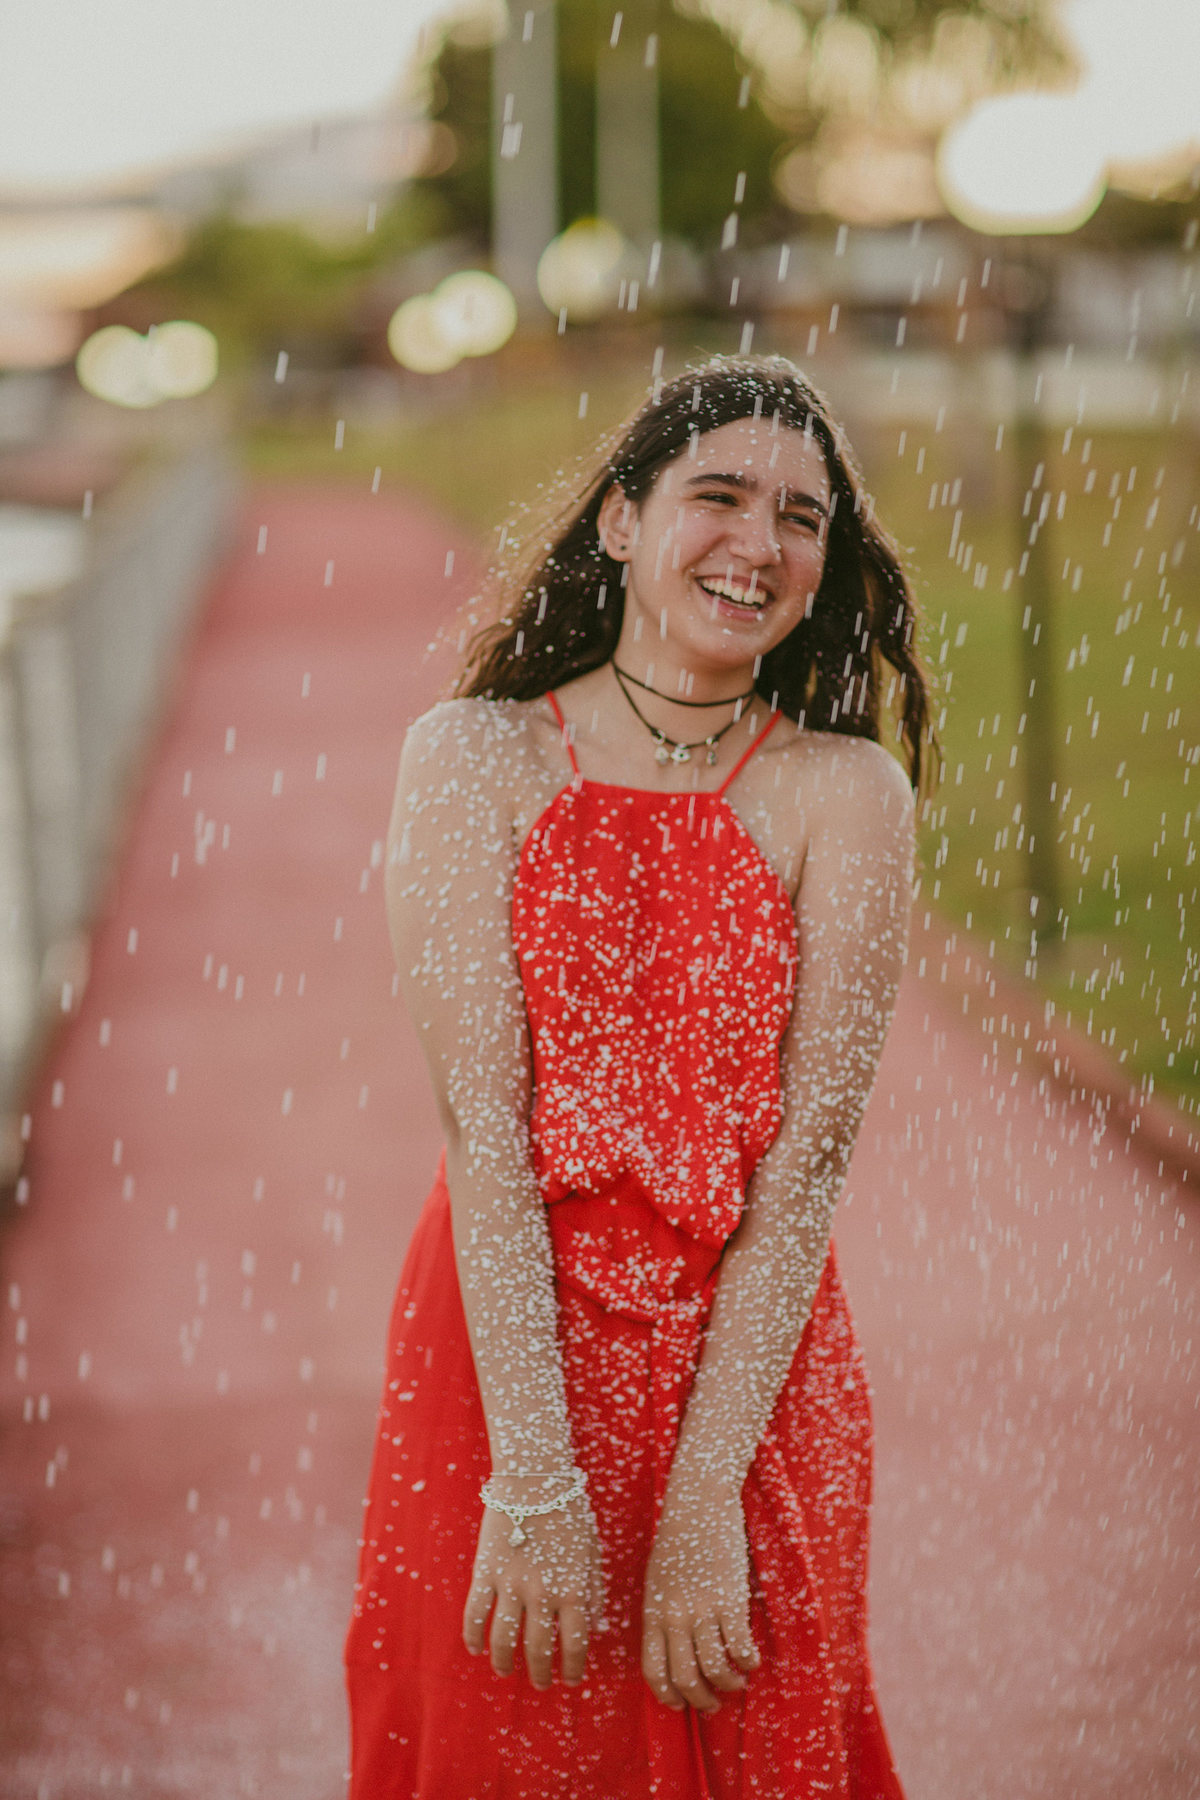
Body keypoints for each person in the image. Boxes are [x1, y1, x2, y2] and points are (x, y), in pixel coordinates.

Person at [344, 355, 934, 1799]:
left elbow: (806, 1163)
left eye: (804, 518)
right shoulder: (473, 758)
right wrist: (535, 1477)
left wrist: (701, 1498)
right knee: (503, 1738)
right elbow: (486, 1135)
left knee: (762, 1725)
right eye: (717, 496)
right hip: (502, 1346)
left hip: (752, 1357)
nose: (761, 543)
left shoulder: (845, 794)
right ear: (621, 520)